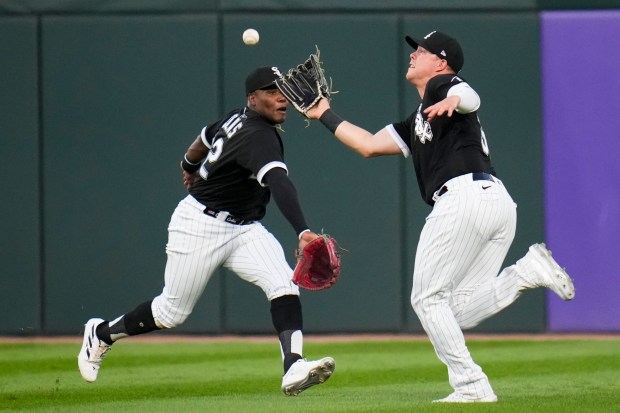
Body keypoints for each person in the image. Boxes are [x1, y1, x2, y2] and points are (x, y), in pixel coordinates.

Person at [305, 30, 575, 403]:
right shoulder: (418, 118)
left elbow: (469, 95)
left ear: (442, 62)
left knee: (426, 300)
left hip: (463, 198)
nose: (414, 54)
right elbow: (367, 144)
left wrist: (452, 97)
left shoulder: (442, 88)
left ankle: (471, 385)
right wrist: (323, 113)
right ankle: (527, 272)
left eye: (423, 50)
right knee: (452, 311)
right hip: (494, 202)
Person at [78, 66, 335, 396]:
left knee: (284, 283)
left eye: (283, 89)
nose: (281, 97)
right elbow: (279, 182)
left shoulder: (237, 118)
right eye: (272, 92)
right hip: (200, 225)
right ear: (252, 99)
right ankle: (100, 334)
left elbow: (203, 138)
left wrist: (188, 165)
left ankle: (293, 366)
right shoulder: (258, 135)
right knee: (170, 313)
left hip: (244, 229)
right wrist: (303, 230)